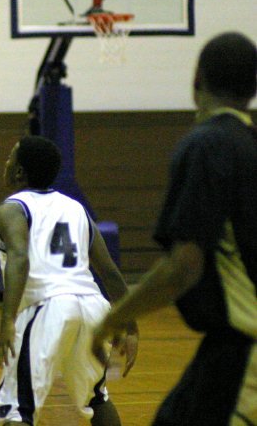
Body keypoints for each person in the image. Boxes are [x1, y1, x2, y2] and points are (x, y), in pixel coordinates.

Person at [91, 31, 257, 425]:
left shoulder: (208, 146)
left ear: (196, 80)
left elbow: (183, 267)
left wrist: (110, 322)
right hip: (226, 350)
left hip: (246, 353)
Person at [0, 135, 139, 426]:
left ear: (19, 171)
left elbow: (19, 257)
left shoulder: (12, 208)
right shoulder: (76, 208)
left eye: (10, 157)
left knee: (15, 410)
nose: (6, 163)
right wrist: (130, 327)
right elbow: (110, 272)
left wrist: (7, 321)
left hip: (47, 307)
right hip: (92, 307)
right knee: (96, 399)